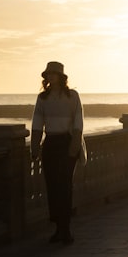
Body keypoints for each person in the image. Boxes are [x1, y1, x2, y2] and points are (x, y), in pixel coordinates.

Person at [30, 61, 84, 245]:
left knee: (65, 186)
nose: (50, 77)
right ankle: (58, 227)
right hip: (51, 144)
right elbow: (37, 124)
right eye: (48, 75)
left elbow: (78, 122)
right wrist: (35, 147)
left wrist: (74, 146)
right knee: (52, 187)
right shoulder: (42, 98)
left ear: (61, 76)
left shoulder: (73, 96)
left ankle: (65, 229)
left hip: (67, 143)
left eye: (53, 74)